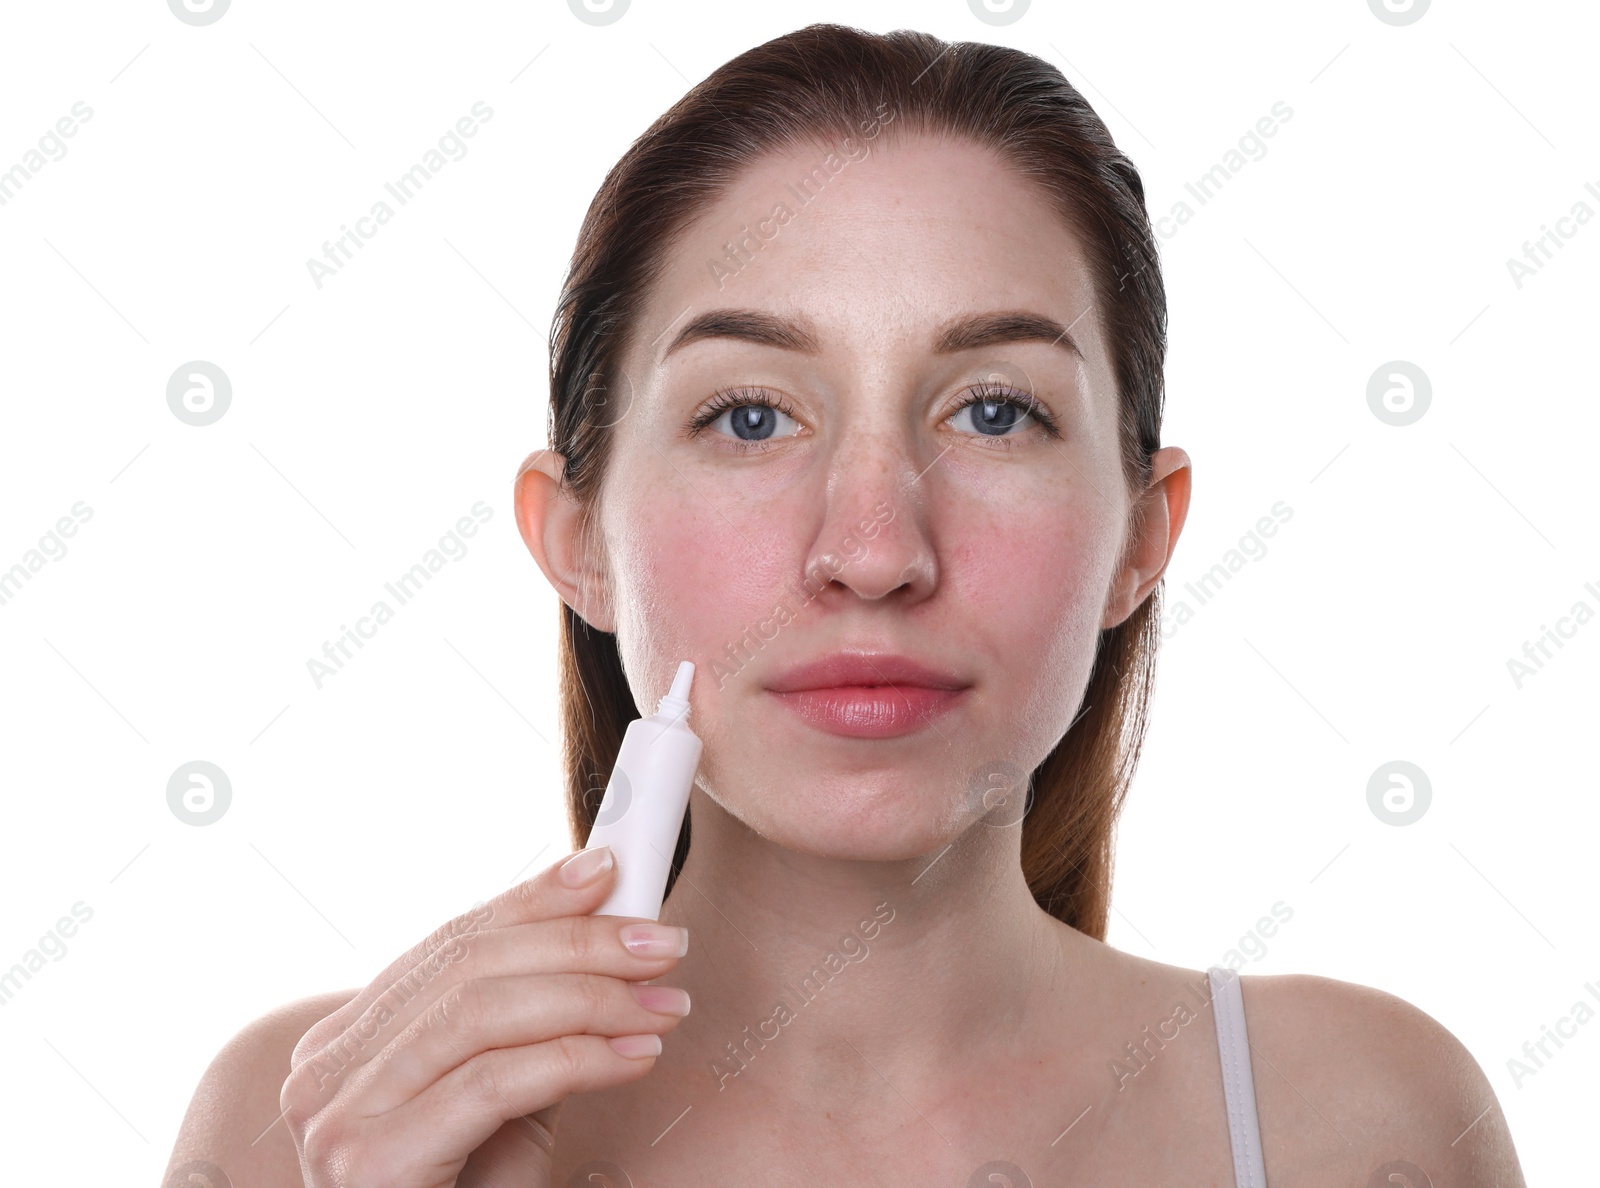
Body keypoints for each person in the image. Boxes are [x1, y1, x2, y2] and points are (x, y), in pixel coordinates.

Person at [165, 23, 1525, 1186]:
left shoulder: (1355, 1123)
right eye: (750, 417)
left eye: (994, 412)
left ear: (1140, 536)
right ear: (575, 537)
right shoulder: (304, 1125)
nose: (873, 551)